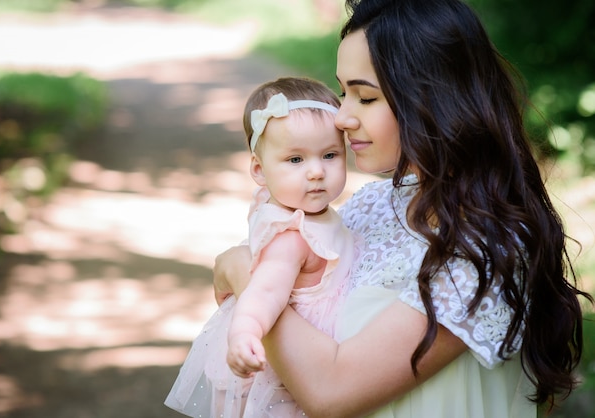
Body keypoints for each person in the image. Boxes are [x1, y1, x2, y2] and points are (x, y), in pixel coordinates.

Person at [213, 0, 594, 417]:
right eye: (343, 93)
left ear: (430, 98)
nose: (341, 117)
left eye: (365, 97)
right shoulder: (367, 207)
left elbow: (331, 389)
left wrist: (240, 269)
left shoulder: (485, 246)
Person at [165, 77, 358, 417]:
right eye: (295, 160)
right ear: (259, 168)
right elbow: (265, 290)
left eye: (329, 155)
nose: (316, 172)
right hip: (286, 376)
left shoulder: (289, 206)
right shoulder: (293, 235)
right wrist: (245, 331)